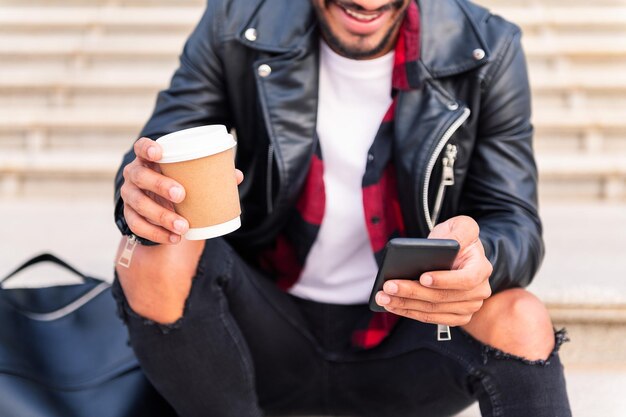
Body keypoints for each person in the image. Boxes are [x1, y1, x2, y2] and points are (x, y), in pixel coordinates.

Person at [112, 0, 571, 416]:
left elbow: (515, 222)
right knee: (154, 250)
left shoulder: (486, 46)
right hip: (258, 335)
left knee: (521, 318)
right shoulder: (236, 22)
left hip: (411, 330)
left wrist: (480, 259)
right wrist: (141, 194)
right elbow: (163, 149)